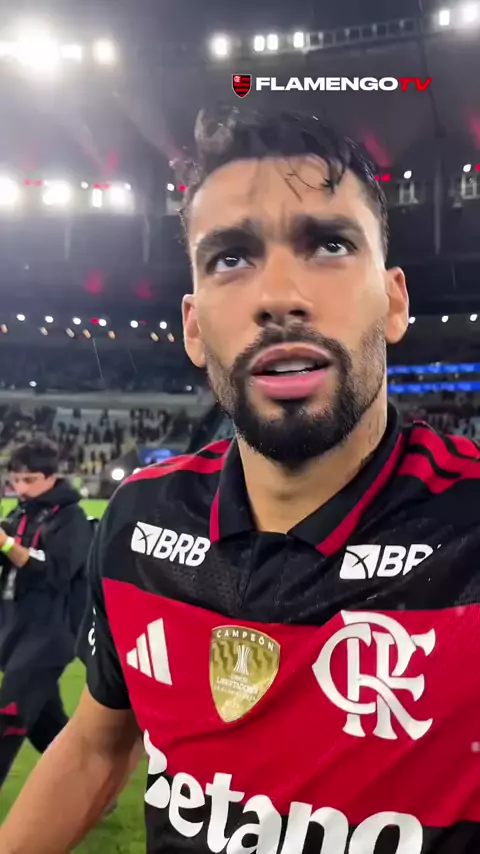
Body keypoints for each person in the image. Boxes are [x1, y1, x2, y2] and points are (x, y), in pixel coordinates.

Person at [1, 109, 479, 854]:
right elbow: (97, 745)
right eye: (230, 257)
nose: (278, 295)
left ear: (394, 301)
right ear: (194, 328)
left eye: (330, 244)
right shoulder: (139, 522)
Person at [0, 438, 93, 789]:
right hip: (18, 629)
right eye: (15, 479)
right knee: (44, 722)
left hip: (51, 633)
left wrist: (7, 544)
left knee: (8, 714)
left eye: (29, 479)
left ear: (51, 476)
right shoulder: (20, 513)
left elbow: (57, 571)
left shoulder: (72, 518)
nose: (20, 487)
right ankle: (90, 786)